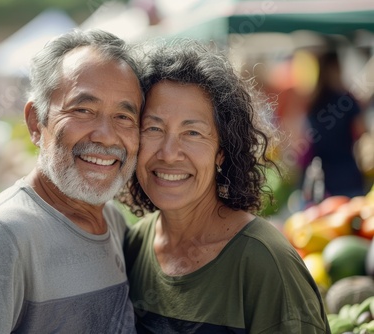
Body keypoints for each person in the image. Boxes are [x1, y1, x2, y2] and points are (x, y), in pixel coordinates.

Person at [0, 29, 143, 333]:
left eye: (124, 117)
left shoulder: (114, 224)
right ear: (36, 122)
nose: (106, 135)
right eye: (83, 110)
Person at [120, 40, 331, 333]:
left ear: (222, 150)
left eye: (192, 132)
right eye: (153, 128)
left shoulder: (264, 262)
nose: (168, 153)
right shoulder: (134, 246)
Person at [302, 50, 367, 200]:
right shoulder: (347, 100)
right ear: (335, 68)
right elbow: (362, 130)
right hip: (347, 174)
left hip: (323, 176)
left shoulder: (313, 102)